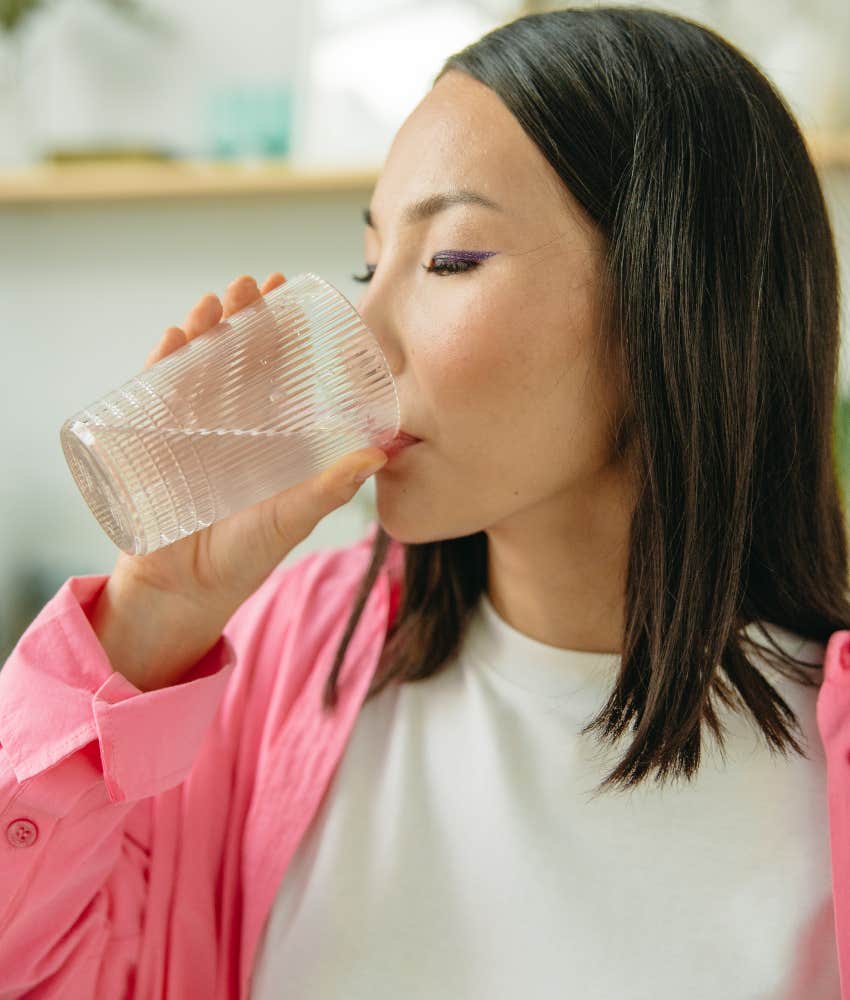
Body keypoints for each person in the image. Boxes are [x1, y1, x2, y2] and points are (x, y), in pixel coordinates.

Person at [2, 5, 849, 998]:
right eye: (370, 263)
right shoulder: (279, 658)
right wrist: (150, 620)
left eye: (448, 260)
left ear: (677, 298)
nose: (363, 334)